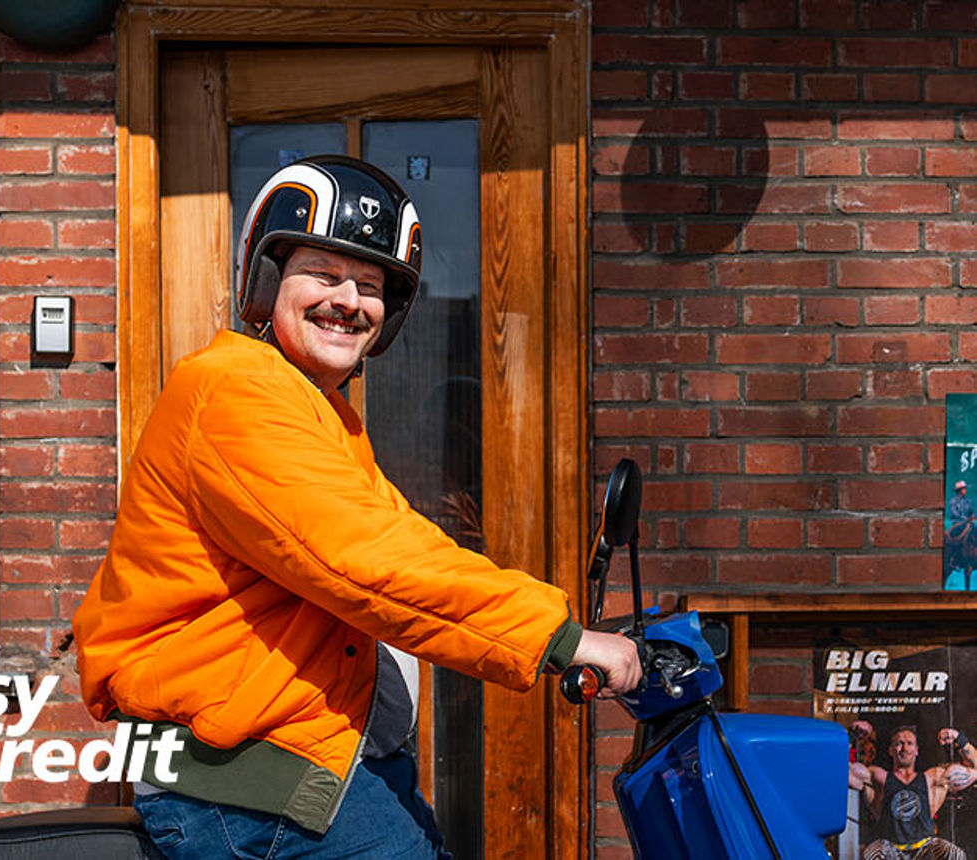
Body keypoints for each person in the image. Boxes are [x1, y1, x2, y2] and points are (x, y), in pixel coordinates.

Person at [71, 155, 641, 858]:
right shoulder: (235, 394)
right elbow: (364, 562)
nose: (348, 300)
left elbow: (403, 542)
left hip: (308, 759)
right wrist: (561, 639)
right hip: (247, 782)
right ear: (267, 278)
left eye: (371, 286)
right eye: (323, 274)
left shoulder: (319, 416)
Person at [848, 722, 977, 860]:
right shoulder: (878, 778)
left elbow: (975, 770)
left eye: (909, 743)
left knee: (954, 854)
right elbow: (839, 770)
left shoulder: (933, 779)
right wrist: (851, 735)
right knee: (871, 854)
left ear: (916, 750)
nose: (904, 748)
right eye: (899, 743)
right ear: (891, 750)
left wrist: (960, 739)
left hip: (925, 848)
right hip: (889, 849)